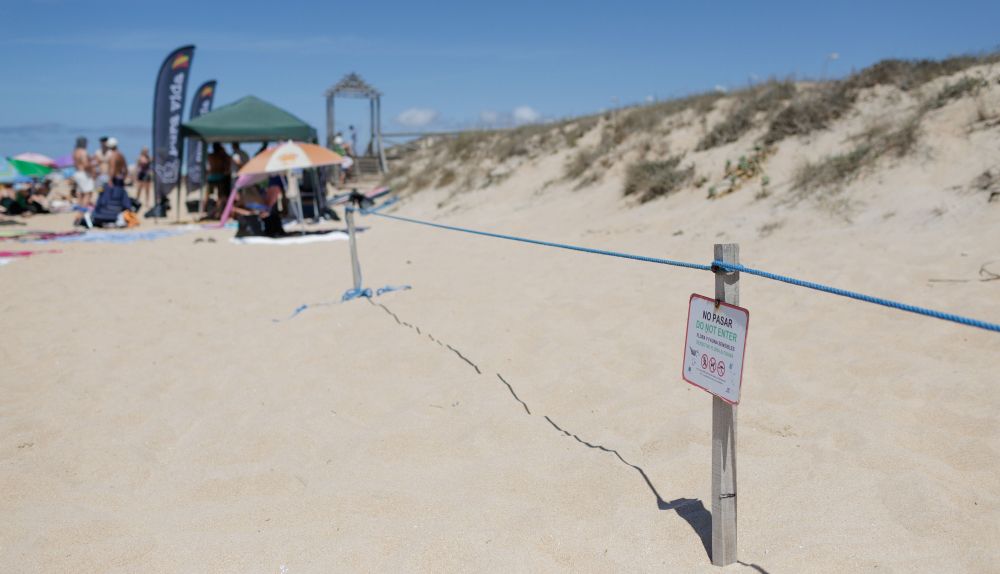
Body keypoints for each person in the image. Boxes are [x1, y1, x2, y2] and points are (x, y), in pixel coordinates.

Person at [206, 143, 232, 218]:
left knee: (209, 196)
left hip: (211, 177)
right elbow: (228, 161)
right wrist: (224, 151)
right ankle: (218, 213)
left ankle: (209, 213)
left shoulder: (210, 156)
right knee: (220, 197)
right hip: (220, 177)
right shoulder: (222, 156)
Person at [72, 136, 96, 207]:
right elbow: (85, 165)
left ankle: (80, 206)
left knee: (80, 192)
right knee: (88, 192)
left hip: (77, 173)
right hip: (83, 173)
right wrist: (92, 170)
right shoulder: (83, 152)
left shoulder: (75, 152)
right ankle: (84, 208)